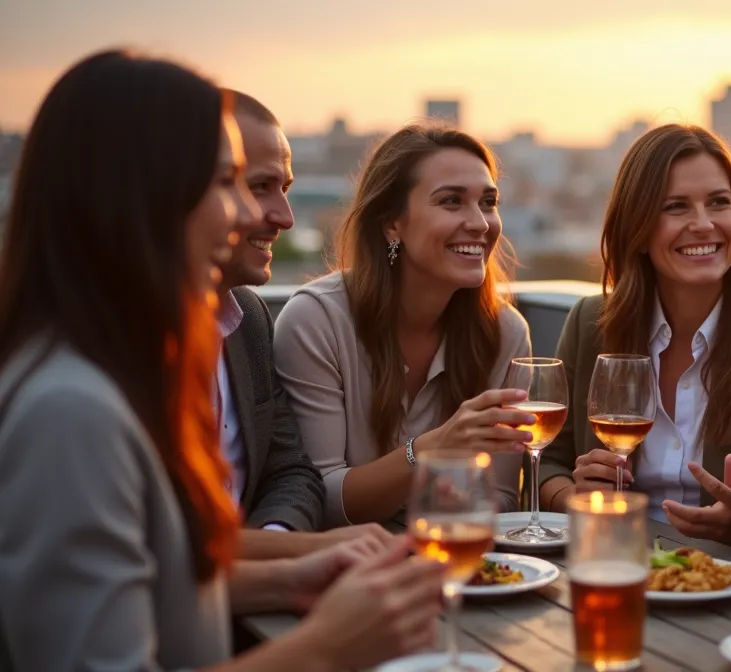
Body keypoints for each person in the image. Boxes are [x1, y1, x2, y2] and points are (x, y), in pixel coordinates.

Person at [0, 50, 444, 671]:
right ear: (138, 195)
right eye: (224, 183)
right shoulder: (73, 413)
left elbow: (155, 585)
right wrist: (327, 648)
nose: (245, 215)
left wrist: (294, 575)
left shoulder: (100, 368)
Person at [536, 124, 731, 542]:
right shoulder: (591, 324)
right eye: (676, 207)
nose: (703, 224)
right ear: (638, 229)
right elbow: (547, 463)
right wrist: (574, 495)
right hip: (610, 563)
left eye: (719, 202)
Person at [275, 122, 533, 527]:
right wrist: (429, 451)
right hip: (348, 568)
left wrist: (454, 504)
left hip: (453, 562)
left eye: (488, 202)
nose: (481, 223)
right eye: (451, 201)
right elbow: (319, 497)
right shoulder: (316, 321)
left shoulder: (505, 332)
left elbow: (501, 498)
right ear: (392, 223)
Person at [215, 89, 392, 559]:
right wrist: (288, 566)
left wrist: (275, 543)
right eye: (258, 187)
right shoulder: (96, 365)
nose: (286, 218)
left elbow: (290, 471)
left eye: (285, 189)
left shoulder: (247, 319)